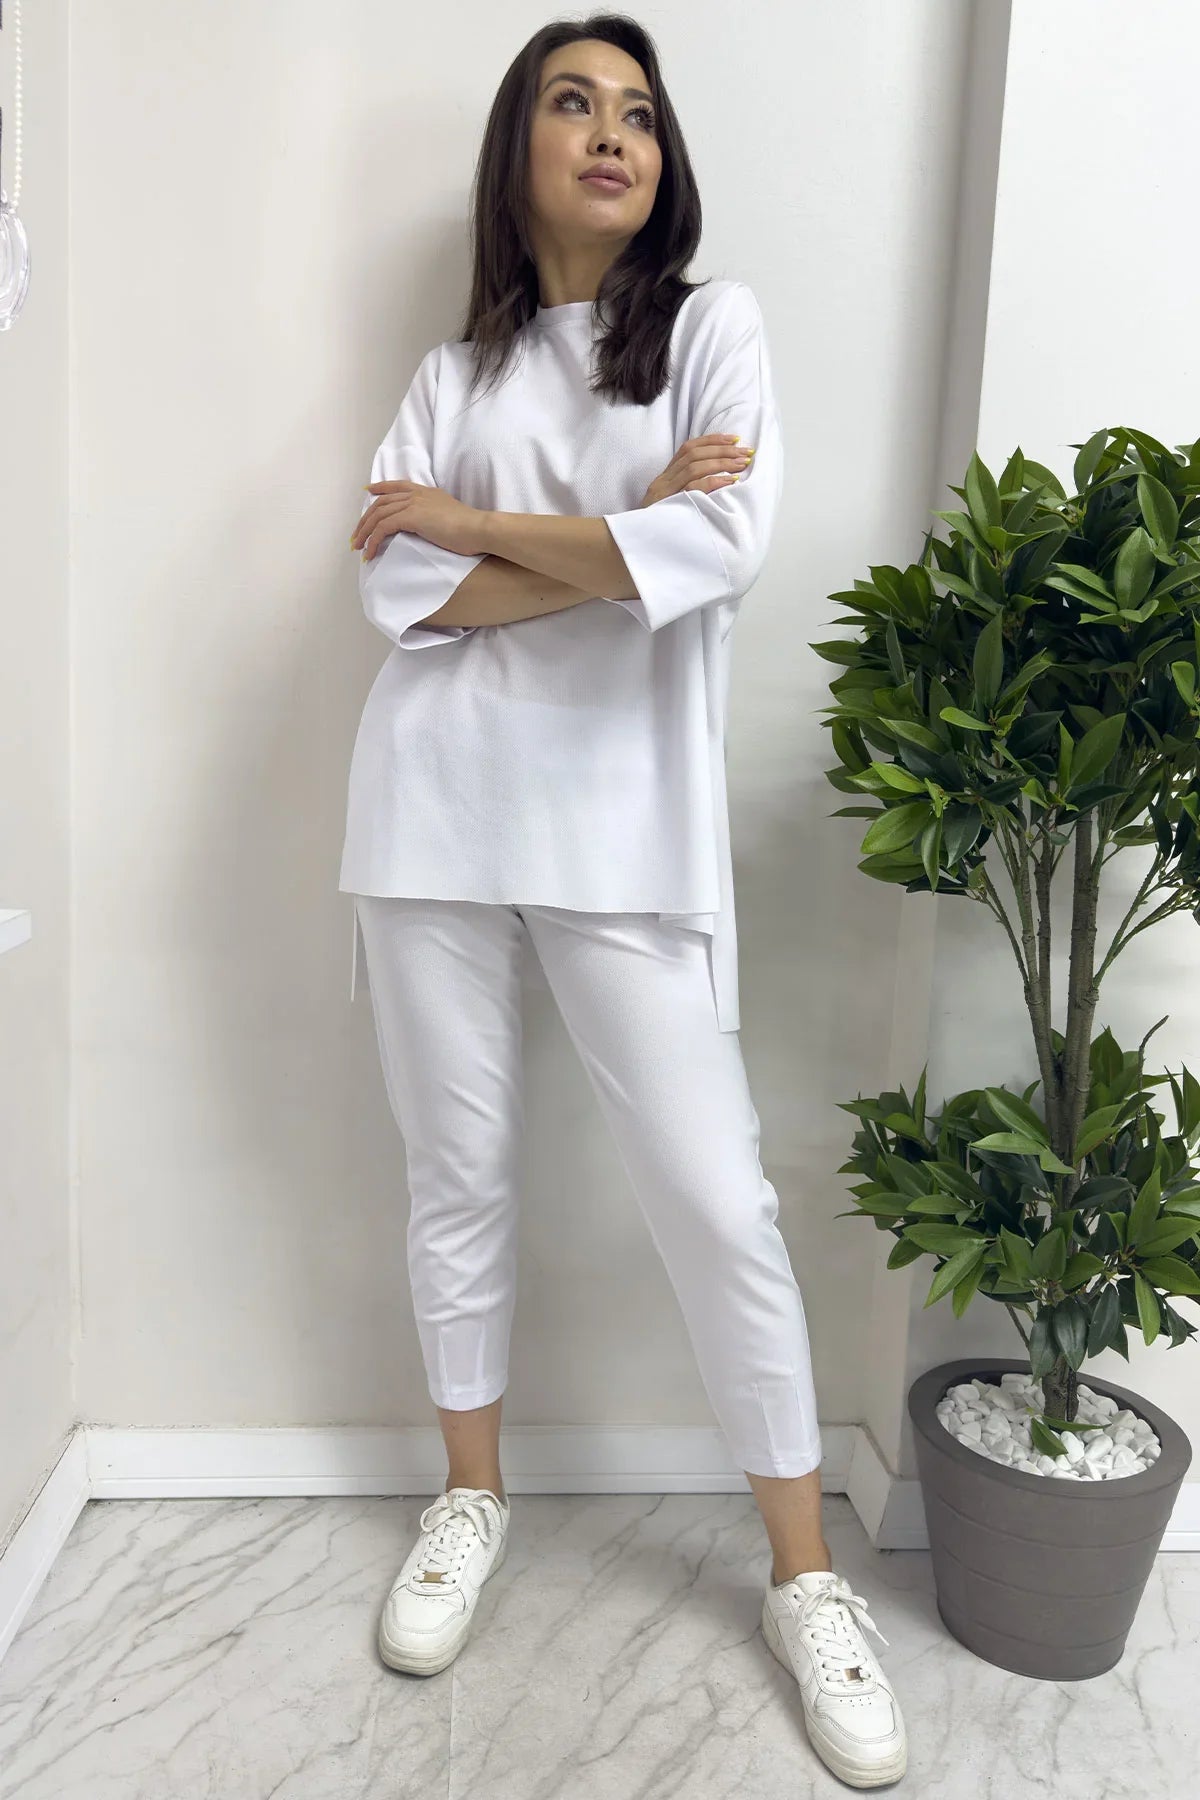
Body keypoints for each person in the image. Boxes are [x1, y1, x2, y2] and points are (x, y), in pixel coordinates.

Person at [339, 15, 906, 1789]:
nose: (612, 134)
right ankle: (470, 1497)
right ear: (518, 150)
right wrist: (604, 537)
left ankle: (804, 1578)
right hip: (429, 813)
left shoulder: (712, 330)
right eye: (574, 104)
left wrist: (478, 529)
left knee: (720, 1206)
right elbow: (398, 600)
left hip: (623, 831)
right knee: (457, 1176)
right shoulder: (453, 371)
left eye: (640, 113)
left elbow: (715, 551)